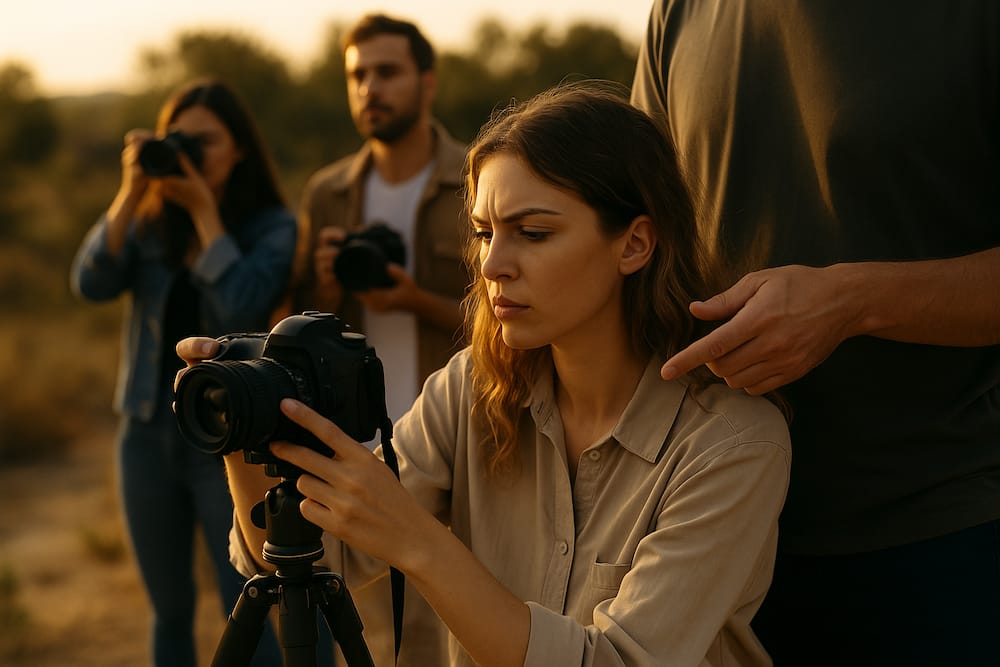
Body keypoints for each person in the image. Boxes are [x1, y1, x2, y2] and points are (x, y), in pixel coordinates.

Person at [178, 83, 792, 666]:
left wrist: (420, 543)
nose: (494, 264)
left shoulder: (732, 442)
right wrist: (247, 423)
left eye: (533, 233)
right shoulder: (474, 388)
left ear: (634, 244)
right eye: (483, 233)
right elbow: (312, 557)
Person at [630, 2, 1000, 664]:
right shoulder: (679, 12)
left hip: (942, 536)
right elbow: (636, 238)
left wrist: (854, 301)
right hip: (706, 538)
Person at [70, 78, 293, 667]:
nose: (192, 154)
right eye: (180, 142)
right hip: (145, 430)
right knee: (168, 608)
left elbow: (244, 306)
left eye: (206, 142)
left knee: (244, 599)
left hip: (229, 436)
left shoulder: (269, 226)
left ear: (240, 148)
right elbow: (91, 282)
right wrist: (130, 189)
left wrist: (204, 214)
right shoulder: (148, 221)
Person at [278, 13, 468, 665]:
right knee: (333, 610)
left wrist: (415, 300)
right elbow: (303, 322)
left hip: (454, 435)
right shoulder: (328, 192)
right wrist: (329, 289)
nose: (370, 89)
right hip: (351, 438)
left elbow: (518, 323)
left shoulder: (478, 179)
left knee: (436, 630)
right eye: (357, 76)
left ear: (427, 82)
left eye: (386, 72)